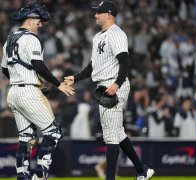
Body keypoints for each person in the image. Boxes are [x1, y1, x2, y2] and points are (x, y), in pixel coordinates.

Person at [64, 1, 154, 180]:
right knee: (116, 133)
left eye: (99, 12)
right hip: (103, 85)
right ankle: (141, 170)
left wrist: (117, 83)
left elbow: (125, 61)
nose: (96, 15)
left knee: (111, 137)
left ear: (109, 14)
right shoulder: (98, 37)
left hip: (113, 84)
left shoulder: (117, 34)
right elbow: (92, 66)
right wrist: (76, 78)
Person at [0, 2, 74, 180]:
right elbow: (39, 65)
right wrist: (57, 84)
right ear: (30, 19)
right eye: (39, 20)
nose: (41, 24)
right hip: (28, 92)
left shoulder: (9, 39)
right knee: (53, 132)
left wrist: (21, 79)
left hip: (14, 93)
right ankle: (40, 176)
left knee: (26, 138)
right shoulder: (31, 38)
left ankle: (22, 176)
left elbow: (4, 70)